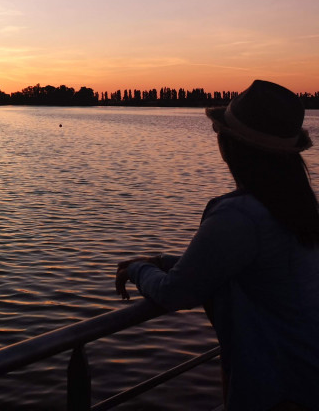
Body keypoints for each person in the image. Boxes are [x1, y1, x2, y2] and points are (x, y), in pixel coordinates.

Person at [114, 80, 319, 411]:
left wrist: (138, 269)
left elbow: (176, 293)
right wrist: (161, 259)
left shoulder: (239, 214)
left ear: (231, 146)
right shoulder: (297, 206)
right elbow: (248, 265)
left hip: (279, 390)